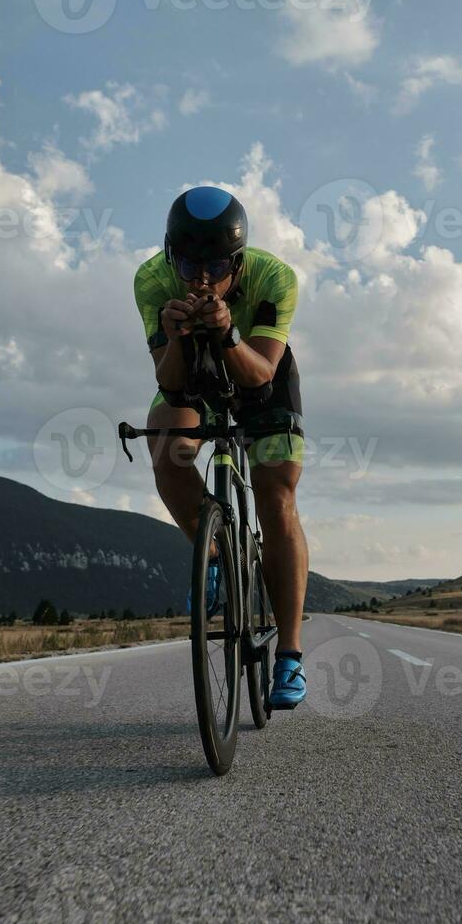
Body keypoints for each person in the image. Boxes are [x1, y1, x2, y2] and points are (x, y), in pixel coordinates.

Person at [133, 186, 309, 709]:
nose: (200, 279)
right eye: (188, 264)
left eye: (214, 266)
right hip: (192, 374)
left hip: (257, 370)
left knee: (276, 497)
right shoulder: (151, 280)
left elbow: (261, 374)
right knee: (165, 444)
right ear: (171, 255)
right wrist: (175, 335)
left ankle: (290, 657)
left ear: (237, 261)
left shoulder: (274, 277)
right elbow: (169, 383)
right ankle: (214, 554)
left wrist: (229, 333)